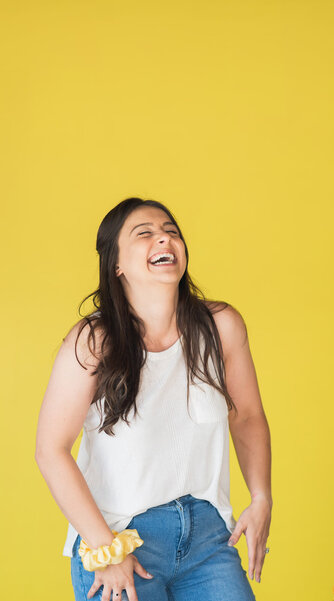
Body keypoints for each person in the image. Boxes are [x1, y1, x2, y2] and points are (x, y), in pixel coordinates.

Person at [35, 197, 272, 601]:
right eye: (144, 233)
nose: (163, 238)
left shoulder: (221, 327)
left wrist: (262, 496)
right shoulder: (94, 341)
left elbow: (247, 416)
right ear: (117, 264)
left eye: (171, 232)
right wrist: (105, 547)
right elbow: (50, 449)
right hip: (117, 536)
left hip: (209, 538)